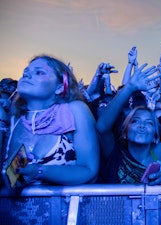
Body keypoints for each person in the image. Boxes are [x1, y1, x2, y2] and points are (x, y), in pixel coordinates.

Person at [4, 55, 99, 186]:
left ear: (59, 87)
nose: (27, 76)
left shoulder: (75, 111)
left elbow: (89, 171)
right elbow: (10, 179)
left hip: (64, 206)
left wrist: (39, 171)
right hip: (17, 206)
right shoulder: (14, 120)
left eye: (39, 72)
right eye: (25, 73)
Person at [96, 60, 161, 186]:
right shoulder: (115, 152)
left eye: (149, 123)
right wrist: (130, 87)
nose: (142, 125)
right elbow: (101, 127)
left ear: (155, 135)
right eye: (135, 121)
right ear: (125, 131)